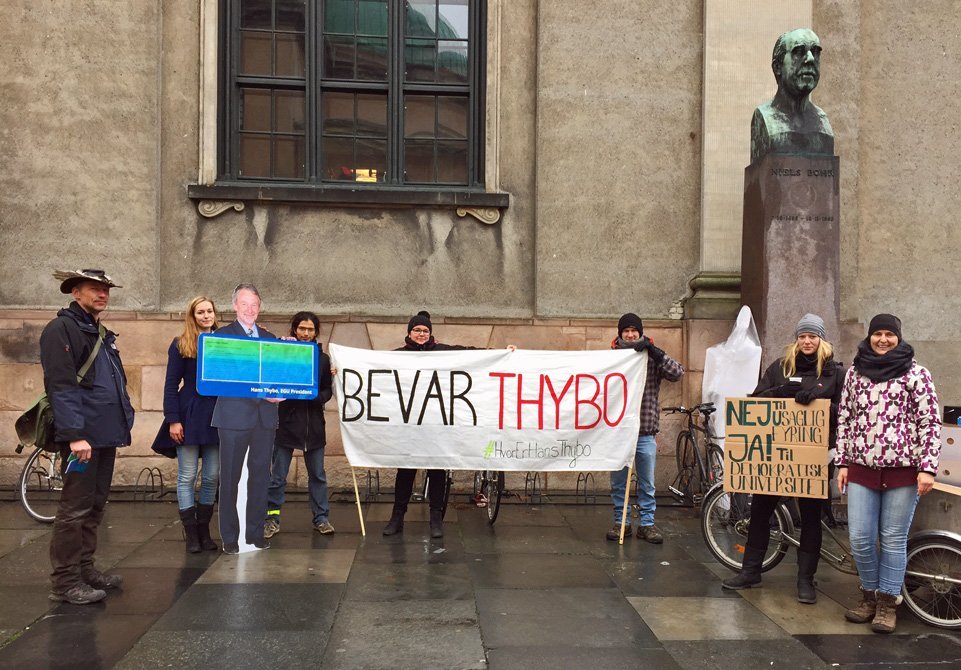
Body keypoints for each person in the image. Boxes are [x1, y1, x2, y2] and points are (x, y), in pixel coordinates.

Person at [721, 314, 843, 603]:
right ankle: (751, 570)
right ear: (796, 339)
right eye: (802, 336)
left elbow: (847, 412)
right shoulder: (780, 368)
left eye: (813, 336)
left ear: (822, 339)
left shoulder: (835, 373)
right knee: (761, 511)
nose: (807, 341)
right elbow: (755, 402)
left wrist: (818, 402)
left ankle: (805, 580)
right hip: (775, 457)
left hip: (814, 457)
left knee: (811, 517)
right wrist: (780, 393)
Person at [836, 314, 941, 633]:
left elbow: (930, 422)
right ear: (869, 338)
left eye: (889, 334)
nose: (883, 339)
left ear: (899, 337)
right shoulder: (855, 373)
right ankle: (868, 596)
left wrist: (928, 467)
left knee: (893, 539)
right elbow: (845, 419)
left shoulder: (917, 374)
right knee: (860, 537)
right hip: (861, 468)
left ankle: (887, 603)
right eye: (877, 334)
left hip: (903, 471)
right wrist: (842, 461)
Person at [42, 269, 135, 605]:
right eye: (95, 290)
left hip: (104, 434)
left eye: (106, 290)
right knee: (74, 509)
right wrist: (75, 436)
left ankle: (84, 569)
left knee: (94, 505)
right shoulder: (61, 329)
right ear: (76, 293)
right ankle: (65, 582)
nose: (102, 295)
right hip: (83, 438)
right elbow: (62, 386)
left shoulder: (97, 330)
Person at [382, 311, 471, 540]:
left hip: (435, 423)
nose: (421, 334)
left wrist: (500, 353)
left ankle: (435, 518)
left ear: (430, 333)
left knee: (436, 470)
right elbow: (373, 368)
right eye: (417, 330)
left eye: (425, 331)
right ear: (409, 332)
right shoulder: (399, 356)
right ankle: (397, 516)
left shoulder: (442, 352)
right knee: (406, 470)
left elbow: (470, 354)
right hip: (409, 423)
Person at [212, 283, 282, 554]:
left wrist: (279, 393)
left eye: (254, 304)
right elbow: (221, 378)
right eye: (245, 304)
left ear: (259, 307)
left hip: (265, 419)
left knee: (260, 478)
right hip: (233, 418)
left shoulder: (269, 337)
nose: (250, 309)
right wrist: (261, 393)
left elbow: (277, 376)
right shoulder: (222, 336)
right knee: (229, 478)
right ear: (235, 306)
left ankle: (255, 534)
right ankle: (230, 537)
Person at [607, 313, 684, 543]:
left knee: (647, 482)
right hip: (619, 432)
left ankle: (647, 524)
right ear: (620, 334)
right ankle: (622, 522)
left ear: (640, 332)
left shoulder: (651, 357)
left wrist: (657, 352)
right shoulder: (611, 359)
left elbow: (677, 373)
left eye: (634, 331)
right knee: (619, 482)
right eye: (626, 331)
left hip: (645, 431)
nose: (630, 335)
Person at [156, 296, 221, 553]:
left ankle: (204, 531)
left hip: (217, 415)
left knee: (212, 476)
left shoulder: (225, 342)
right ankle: (191, 533)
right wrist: (173, 419)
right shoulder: (181, 344)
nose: (206, 316)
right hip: (190, 414)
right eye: (200, 312)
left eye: (209, 311)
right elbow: (171, 384)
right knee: (187, 476)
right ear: (192, 316)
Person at [264, 311, 335, 538]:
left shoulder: (323, 360)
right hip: (286, 424)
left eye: (310, 329)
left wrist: (318, 398)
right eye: (302, 328)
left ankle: (321, 518)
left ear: (316, 332)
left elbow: (327, 390)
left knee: (318, 475)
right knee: (277, 477)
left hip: (314, 426)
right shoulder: (283, 354)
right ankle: (272, 518)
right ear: (294, 329)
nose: (306, 333)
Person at [751, 28, 834, 164]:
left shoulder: (823, 123)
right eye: (799, 52)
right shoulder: (764, 119)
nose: (811, 59)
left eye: (815, 52)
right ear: (778, 67)